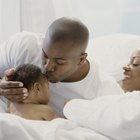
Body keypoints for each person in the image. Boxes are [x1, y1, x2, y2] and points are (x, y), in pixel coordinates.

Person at [0, 17, 123, 117]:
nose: (47, 67)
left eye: (59, 62)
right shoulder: (25, 46)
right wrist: (2, 85)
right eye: (44, 56)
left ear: (81, 59)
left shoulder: (104, 93)